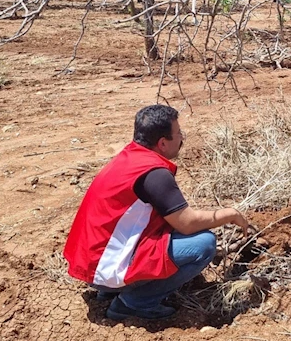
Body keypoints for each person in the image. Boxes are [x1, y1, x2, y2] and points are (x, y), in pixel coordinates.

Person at [63, 105, 249, 320]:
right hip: (103, 270)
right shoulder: (154, 174)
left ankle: (111, 291)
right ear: (162, 143)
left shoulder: (128, 158)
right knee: (203, 244)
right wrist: (230, 214)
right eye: (178, 134)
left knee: (170, 231)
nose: (181, 138)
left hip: (91, 263)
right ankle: (134, 303)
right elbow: (187, 223)